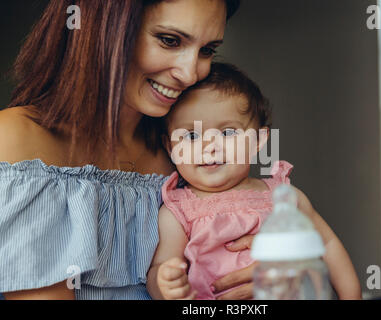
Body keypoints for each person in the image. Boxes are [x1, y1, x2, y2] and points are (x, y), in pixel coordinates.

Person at [0, 0, 250, 300]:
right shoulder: (17, 140)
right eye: (169, 40)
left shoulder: (187, 153)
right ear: (101, 29)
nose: (190, 73)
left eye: (207, 50)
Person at [147, 62, 362, 300]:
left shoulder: (283, 196)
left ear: (258, 141)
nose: (209, 147)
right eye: (191, 135)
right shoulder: (178, 210)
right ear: (171, 147)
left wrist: (351, 296)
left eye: (227, 133)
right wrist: (165, 284)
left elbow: (328, 243)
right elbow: (162, 265)